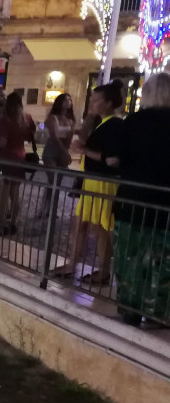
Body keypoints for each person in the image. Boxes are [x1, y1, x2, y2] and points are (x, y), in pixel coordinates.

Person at [52, 79, 125, 284]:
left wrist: (85, 151)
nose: (91, 103)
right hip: (91, 180)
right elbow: (80, 140)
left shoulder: (115, 124)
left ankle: (103, 270)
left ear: (109, 103)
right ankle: (72, 263)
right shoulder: (99, 122)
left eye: (96, 100)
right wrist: (89, 119)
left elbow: (112, 158)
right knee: (82, 222)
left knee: (100, 226)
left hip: (103, 181)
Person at [113, 71, 170, 325]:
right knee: (162, 262)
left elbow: (119, 158)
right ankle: (158, 312)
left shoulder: (133, 122)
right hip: (164, 205)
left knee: (129, 257)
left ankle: (130, 307)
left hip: (132, 200)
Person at [0, 90, 36, 233]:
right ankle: (13, 223)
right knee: (15, 192)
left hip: (6, 157)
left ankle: (1, 221)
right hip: (20, 157)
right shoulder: (27, 118)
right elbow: (30, 138)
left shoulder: (6, 120)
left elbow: (3, 143)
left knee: (4, 192)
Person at [42, 92, 76, 211]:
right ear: (59, 102)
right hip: (51, 150)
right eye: (66, 100)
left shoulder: (70, 119)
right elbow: (54, 137)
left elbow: (70, 136)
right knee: (53, 180)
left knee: (58, 182)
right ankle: (46, 208)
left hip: (62, 150)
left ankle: (52, 208)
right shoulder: (53, 118)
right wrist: (65, 152)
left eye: (70, 100)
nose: (69, 102)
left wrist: (66, 152)